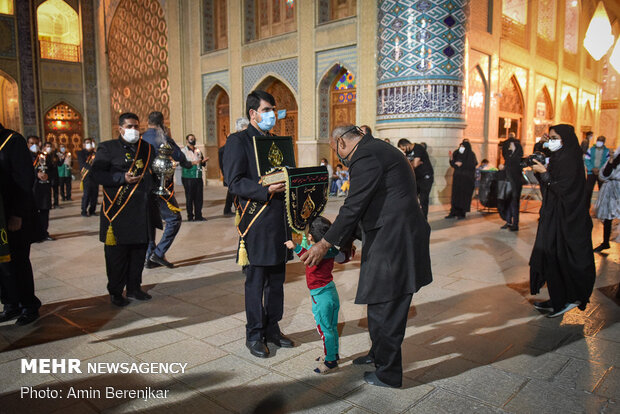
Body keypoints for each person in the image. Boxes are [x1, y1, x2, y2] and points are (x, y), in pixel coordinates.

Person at [301, 125, 432, 388]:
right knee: (378, 302)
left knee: (387, 306)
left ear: (341, 142)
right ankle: (378, 355)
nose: (341, 159)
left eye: (337, 152)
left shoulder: (366, 155)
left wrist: (325, 243)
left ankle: (389, 373)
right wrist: (348, 239)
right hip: (389, 236)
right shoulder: (376, 149)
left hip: (395, 241)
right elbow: (371, 203)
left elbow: (354, 205)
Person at [223, 90, 294, 359]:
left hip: (280, 222)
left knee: (277, 281)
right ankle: (254, 334)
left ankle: (272, 329)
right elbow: (235, 181)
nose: (271, 114)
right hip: (256, 222)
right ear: (253, 114)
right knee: (256, 281)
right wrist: (266, 188)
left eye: (273, 109)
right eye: (266, 110)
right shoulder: (238, 141)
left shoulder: (276, 142)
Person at [90, 113, 157, 306]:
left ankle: (135, 288)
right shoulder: (108, 148)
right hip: (118, 211)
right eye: (129, 126)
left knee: (138, 253)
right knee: (117, 256)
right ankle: (116, 291)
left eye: (136, 126)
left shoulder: (146, 148)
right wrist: (122, 178)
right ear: (120, 128)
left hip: (141, 210)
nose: (134, 130)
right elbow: (97, 174)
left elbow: (153, 171)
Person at [529, 124, 596, 318]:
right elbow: (548, 187)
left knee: (562, 259)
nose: (552, 141)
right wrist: (541, 170)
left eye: (554, 137)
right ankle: (557, 297)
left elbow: (564, 190)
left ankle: (569, 299)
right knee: (551, 259)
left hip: (569, 222)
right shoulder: (559, 157)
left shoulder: (571, 159)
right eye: (550, 137)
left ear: (565, 139)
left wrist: (545, 173)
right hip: (554, 216)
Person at [285, 217, 341, 374]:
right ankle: (333, 353)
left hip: (321, 296)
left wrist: (294, 246)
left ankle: (330, 361)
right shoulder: (330, 250)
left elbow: (305, 255)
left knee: (325, 330)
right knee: (332, 327)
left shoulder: (314, 254)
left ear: (310, 237)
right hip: (331, 292)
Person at [142, 111, 197, 269]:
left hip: (144, 188)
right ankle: (158, 254)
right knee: (174, 219)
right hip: (160, 187)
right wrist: (169, 136)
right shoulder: (162, 137)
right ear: (162, 123)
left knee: (151, 221)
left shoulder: (142, 138)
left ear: (148, 122)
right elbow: (179, 156)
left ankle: (149, 257)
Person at [0, 123, 42, 325]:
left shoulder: (12, 141)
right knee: (2, 265)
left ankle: (29, 305)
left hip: (14, 216)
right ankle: (10, 304)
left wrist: (17, 214)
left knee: (18, 261)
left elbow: (24, 180)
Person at [398, 139, 434, 219]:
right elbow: (408, 165)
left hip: (426, 177)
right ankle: (414, 218)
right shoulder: (407, 152)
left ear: (406, 145)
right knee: (412, 198)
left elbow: (415, 164)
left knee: (423, 199)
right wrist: (412, 164)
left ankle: (424, 220)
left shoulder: (418, 148)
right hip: (417, 178)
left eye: (403, 148)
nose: (403, 151)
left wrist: (413, 164)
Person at [593, 147, 620, 252]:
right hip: (609, 191)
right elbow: (604, 175)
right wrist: (611, 160)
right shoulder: (614, 158)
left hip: (618, 190)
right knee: (607, 217)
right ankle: (605, 243)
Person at [219, 117, 248, 216]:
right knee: (233, 194)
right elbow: (224, 163)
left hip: (240, 178)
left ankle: (231, 209)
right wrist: (227, 176)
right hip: (233, 177)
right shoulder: (226, 148)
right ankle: (232, 210)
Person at [27, 136, 53, 241]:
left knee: (44, 212)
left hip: (44, 188)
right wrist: (36, 174)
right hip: (31, 188)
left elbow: (52, 170)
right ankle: (34, 234)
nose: (34, 145)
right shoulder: (24, 157)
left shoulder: (44, 156)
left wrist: (48, 175)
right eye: (31, 143)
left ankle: (44, 233)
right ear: (27, 144)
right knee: (32, 213)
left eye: (36, 143)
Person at [446, 139, 477, 219]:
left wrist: (462, 164)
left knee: (463, 196)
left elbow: (472, 165)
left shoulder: (471, 155)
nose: (461, 148)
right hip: (457, 178)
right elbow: (454, 164)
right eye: (461, 146)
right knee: (455, 195)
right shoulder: (457, 153)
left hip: (466, 179)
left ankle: (461, 213)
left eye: (463, 146)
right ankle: (453, 212)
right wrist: (452, 160)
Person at [181, 134, 208, 222]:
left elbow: (201, 161)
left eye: (194, 139)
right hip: (188, 177)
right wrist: (193, 163)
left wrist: (203, 162)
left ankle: (198, 215)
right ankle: (190, 216)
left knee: (199, 197)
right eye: (191, 139)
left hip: (198, 176)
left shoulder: (198, 150)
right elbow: (183, 163)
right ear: (187, 141)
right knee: (189, 197)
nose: (193, 140)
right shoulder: (183, 151)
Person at [500, 133, 524, 231]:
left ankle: (515, 224)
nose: (509, 146)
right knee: (508, 202)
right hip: (508, 183)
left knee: (514, 203)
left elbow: (515, 168)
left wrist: (505, 167)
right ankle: (508, 221)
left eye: (511, 144)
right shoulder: (510, 156)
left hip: (515, 183)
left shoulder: (518, 158)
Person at [584, 136, 610, 207]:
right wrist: (592, 168)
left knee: (602, 191)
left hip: (601, 173)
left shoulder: (607, 151)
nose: (599, 142)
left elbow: (607, 162)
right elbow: (587, 159)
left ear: (604, 142)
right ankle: (586, 207)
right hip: (591, 172)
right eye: (598, 140)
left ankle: (600, 207)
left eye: (601, 140)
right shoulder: (591, 149)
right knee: (588, 190)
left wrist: (600, 170)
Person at [77, 138, 98, 217]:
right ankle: (84, 210)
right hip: (87, 176)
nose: (89, 144)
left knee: (95, 194)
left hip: (95, 176)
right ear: (84, 144)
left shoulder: (95, 153)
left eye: (90, 143)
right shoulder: (81, 153)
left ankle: (92, 210)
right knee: (87, 194)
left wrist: (96, 153)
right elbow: (83, 164)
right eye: (87, 143)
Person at [44, 141, 60, 209]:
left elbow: (59, 164)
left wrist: (61, 159)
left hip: (55, 175)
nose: (49, 148)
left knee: (56, 191)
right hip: (48, 176)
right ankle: (49, 204)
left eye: (50, 146)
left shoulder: (54, 155)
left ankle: (56, 203)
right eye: (47, 147)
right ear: (44, 147)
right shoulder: (43, 155)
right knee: (48, 191)